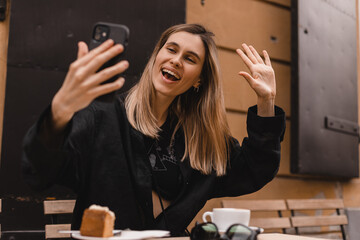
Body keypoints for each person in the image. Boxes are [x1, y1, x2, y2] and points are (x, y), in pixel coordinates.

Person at [22, 23, 285, 236]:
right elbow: (41, 168)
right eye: (171, 49)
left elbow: (255, 169)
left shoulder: (202, 140)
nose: (176, 60)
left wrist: (266, 102)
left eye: (190, 58)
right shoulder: (104, 117)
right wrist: (60, 110)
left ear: (200, 80)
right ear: (157, 55)